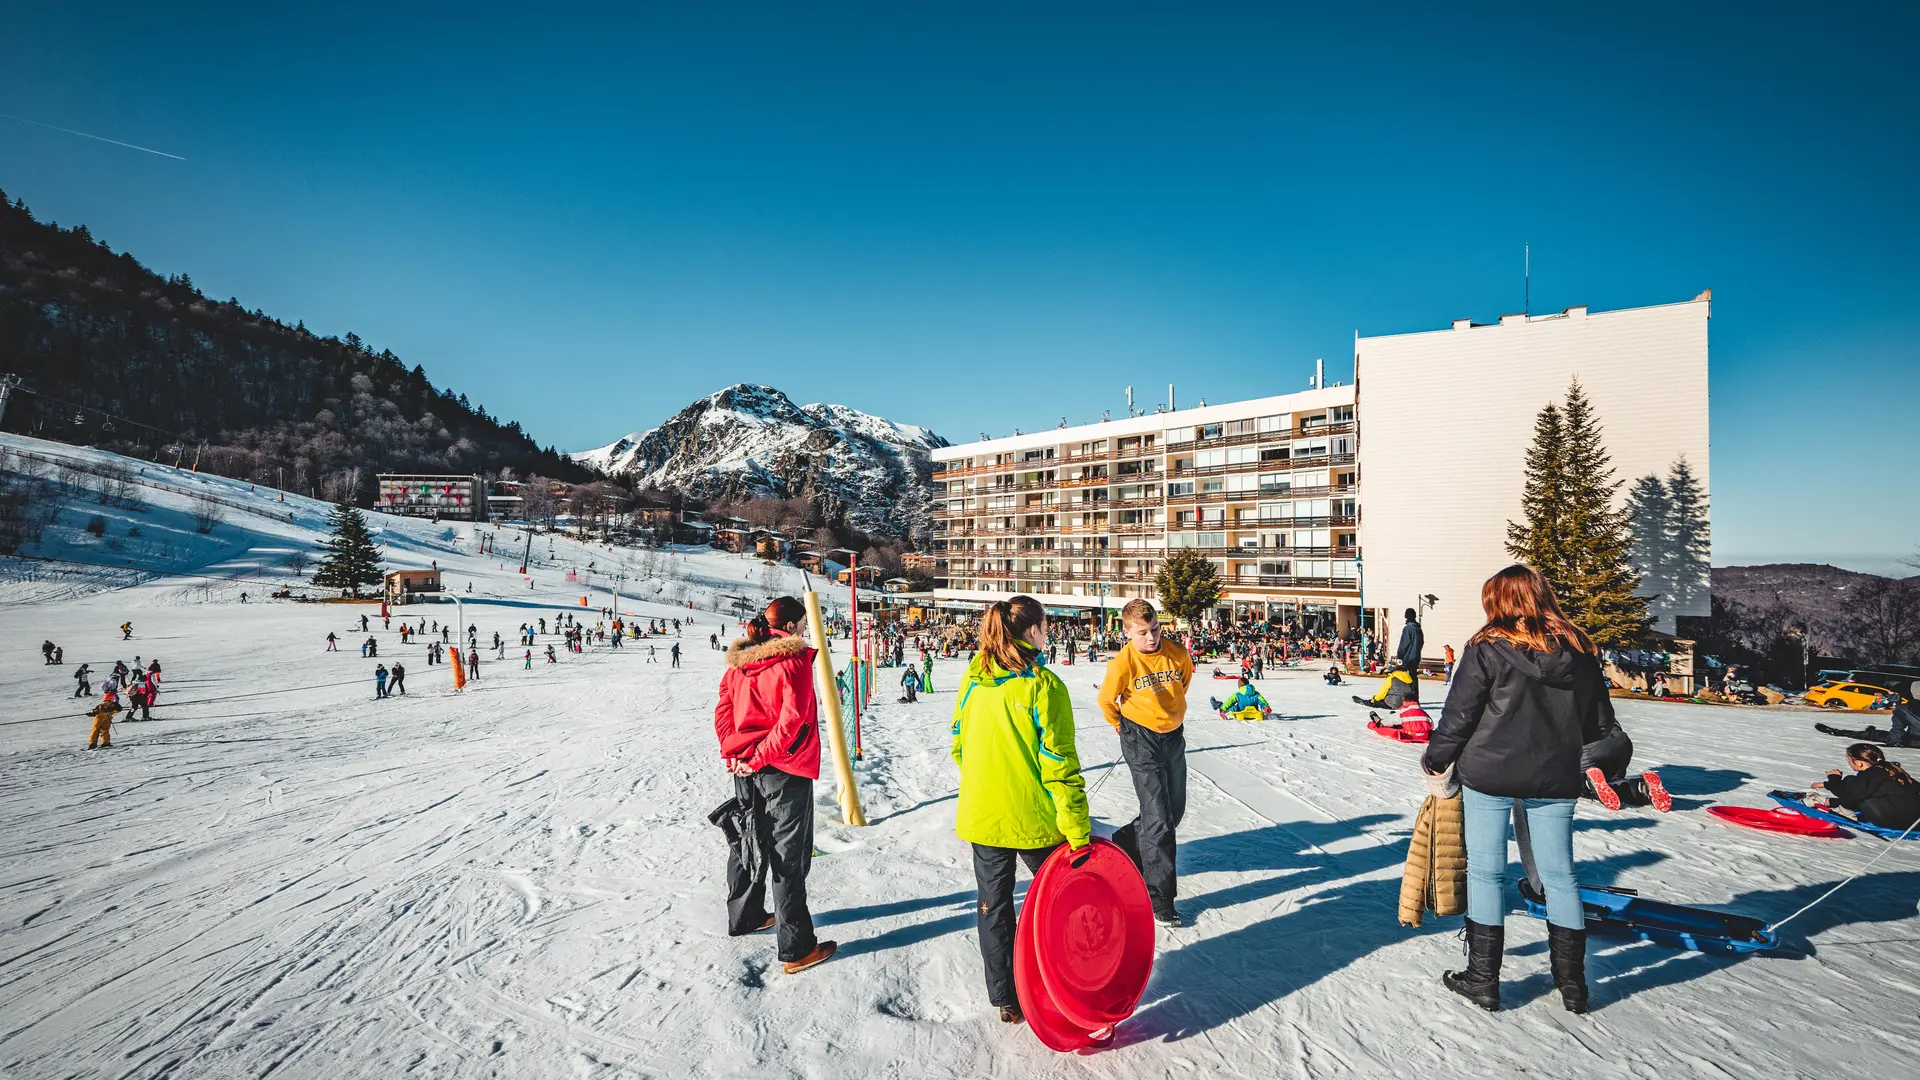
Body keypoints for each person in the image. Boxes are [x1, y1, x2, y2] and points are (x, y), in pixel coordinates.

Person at [1421, 564, 1605, 1015]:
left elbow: (1459, 715)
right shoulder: (1578, 648)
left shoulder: (1485, 648)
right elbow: (1598, 720)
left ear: (1497, 601)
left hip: (1490, 773)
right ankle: (1573, 985)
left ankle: (1483, 979)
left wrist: (1436, 758)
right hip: (1555, 776)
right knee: (1560, 876)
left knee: (1486, 872)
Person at [951, 595, 1090, 1025]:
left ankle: (1006, 998)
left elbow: (958, 743)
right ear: (1033, 631)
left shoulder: (974, 677)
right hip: (1035, 820)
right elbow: (1059, 766)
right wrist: (1078, 831)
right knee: (1061, 903)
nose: (1047, 634)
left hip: (983, 816)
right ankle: (1063, 983)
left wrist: (988, 780)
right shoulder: (1044, 686)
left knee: (994, 906)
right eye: (1045, 627)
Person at [714, 597, 836, 974]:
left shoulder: (741, 662)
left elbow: (723, 710)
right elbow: (792, 721)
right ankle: (797, 948)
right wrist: (758, 757)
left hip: (746, 765)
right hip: (784, 769)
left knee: (749, 838)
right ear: (793, 626)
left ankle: (745, 914)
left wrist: (735, 752)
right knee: (788, 854)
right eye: (803, 623)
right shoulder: (792, 660)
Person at [1098, 599, 1195, 927]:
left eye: (1155, 629)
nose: (1151, 637)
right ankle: (1160, 896)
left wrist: (1169, 715)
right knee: (1159, 819)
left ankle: (1127, 840)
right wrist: (1122, 726)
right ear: (1127, 632)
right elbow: (1106, 701)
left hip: (1172, 735)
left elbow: (1183, 683)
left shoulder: (1177, 653)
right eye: (1142, 632)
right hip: (1139, 737)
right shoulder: (1122, 664)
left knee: (1174, 810)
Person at [1811, 743, 1920, 830]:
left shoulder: (1872, 774)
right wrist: (1834, 801)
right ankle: (1841, 806)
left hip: (1897, 822)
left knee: (1852, 784)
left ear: (1858, 763)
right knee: (1856, 786)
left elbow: (1849, 794)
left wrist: (1834, 778)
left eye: (1848, 759)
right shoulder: (1892, 770)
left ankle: (1845, 813)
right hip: (1915, 821)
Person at [1579, 714, 1671, 811]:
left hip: (1592, 748)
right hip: (1622, 744)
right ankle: (1641, 788)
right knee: (1614, 781)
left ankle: (1587, 783)